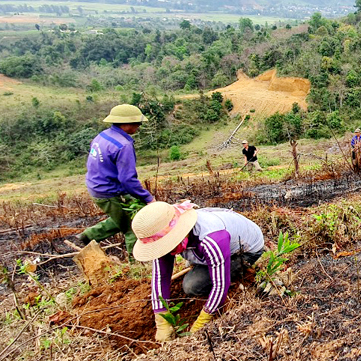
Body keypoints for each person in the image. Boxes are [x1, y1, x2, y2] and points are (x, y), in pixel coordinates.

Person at [131, 201, 265, 341]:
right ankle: (210, 262)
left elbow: (220, 285)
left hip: (246, 251)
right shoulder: (166, 236)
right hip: (213, 247)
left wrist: (202, 322)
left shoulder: (211, 238)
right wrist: (161, 319)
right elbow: (161, 277)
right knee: (191, 281)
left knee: (192, 286)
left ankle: (241, 267)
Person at [77, 104, 154, 255]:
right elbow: (128, 179)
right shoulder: (123, 145)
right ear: (126, 124)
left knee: (122, 216)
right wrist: (148, 198)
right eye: (137, 123)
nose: (139, 126)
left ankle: (88, 236)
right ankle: (137, 264)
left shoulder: (102, 136)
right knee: (133, 227)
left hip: (96, 186)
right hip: (109, 192)